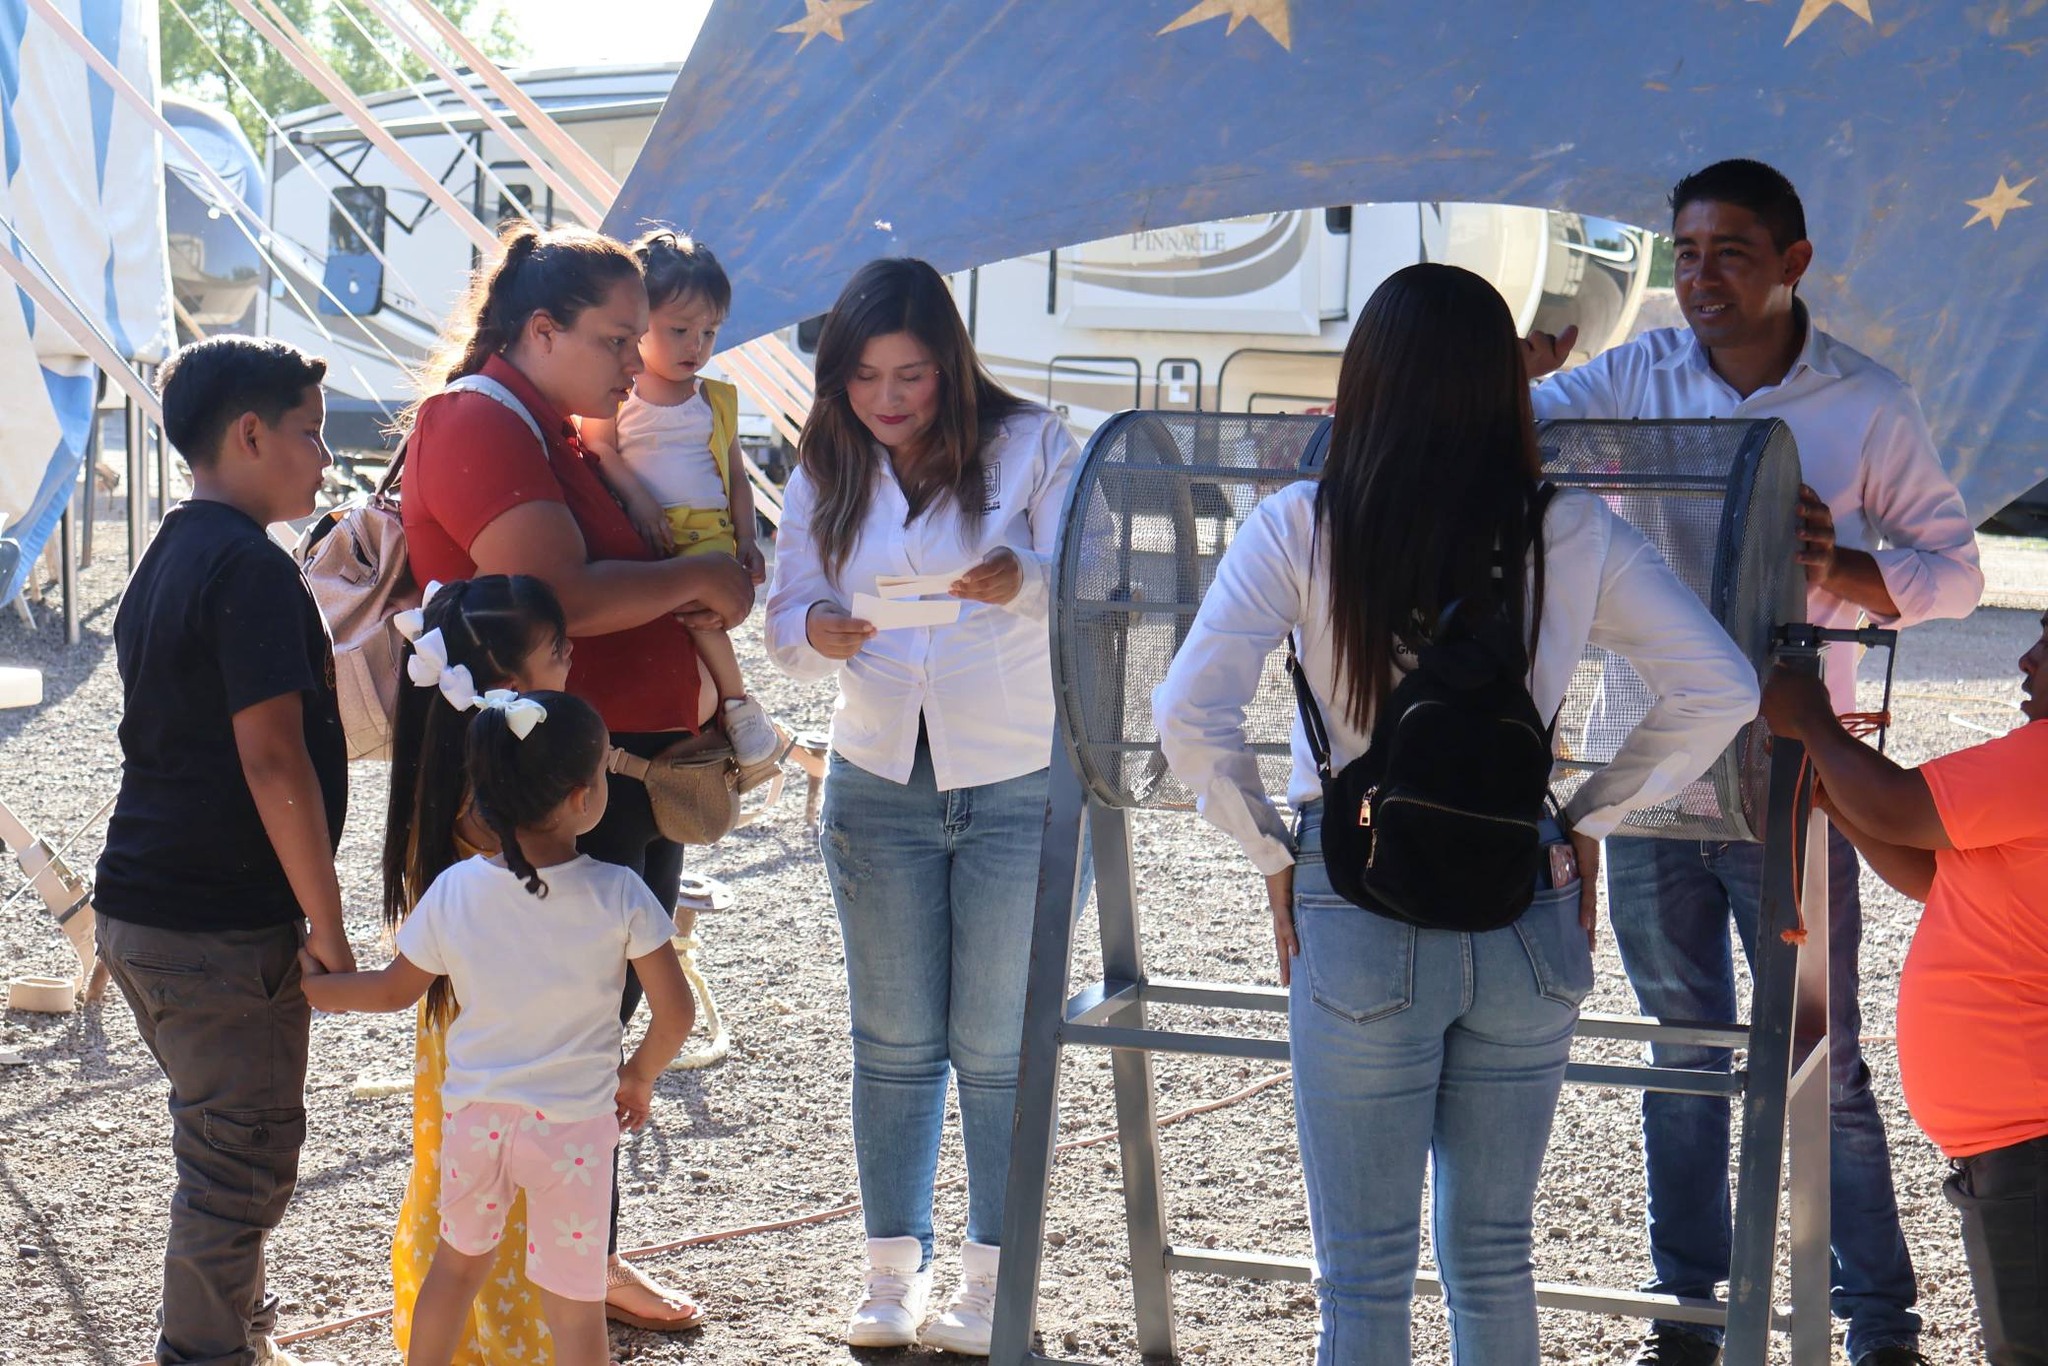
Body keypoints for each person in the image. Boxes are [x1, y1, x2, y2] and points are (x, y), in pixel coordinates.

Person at [1155, 263, 1760, 1365]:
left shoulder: (1301, 523)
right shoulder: (1564, 530)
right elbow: (1721, 686)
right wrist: (1589, 815)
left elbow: (1187, 712)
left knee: (1364, 1274)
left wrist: (1268, 852)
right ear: (1502, 384)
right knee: (1492, 1254)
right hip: (1522, 896)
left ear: (1364, 382)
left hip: (1355, 898)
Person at [1525, 158, 1982, 1366]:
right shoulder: (1628, 376)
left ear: (1792, 266)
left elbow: (1957, 573)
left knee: (1817, 1055)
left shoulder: (1865, 403)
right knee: (1681, 1048)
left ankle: (1878, 1326)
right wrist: (1494, 383)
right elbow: (1509, 432)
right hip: (1649, 772)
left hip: (1797, 787)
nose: (1696, 275)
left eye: (1728, 251)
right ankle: (1686, 1322)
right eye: (1682, 253)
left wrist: (1839, 570)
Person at [400, 223, 753, 1330]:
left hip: (618, 769)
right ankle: (528, 1285)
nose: (633, 355)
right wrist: (705, 572)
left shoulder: (557, 423)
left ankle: (575, 1263)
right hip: (551, 782)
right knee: (551, 1027)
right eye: (613, 336)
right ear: (538, 331)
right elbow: (560, 593)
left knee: (591, 1021)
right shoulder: (474, 419)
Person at [764, 257, 1082, 1356]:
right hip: (875, 774)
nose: (888, 399)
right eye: (863, 378)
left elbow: (1091, 582)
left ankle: (995, 1280)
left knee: (998, 1040)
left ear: (949, 364)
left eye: (910, 375)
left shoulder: (1036, 441)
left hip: (1015, 773)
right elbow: (784, 608)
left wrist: (1020, 578)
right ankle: (888, 1271)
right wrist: (815, 632)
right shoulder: (823, 465)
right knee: (892, 1038)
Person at [92, 335, 350, 1366]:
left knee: (222, 1136)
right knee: (239, 1157)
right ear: (248, 434)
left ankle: (234, 1326)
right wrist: (324, 926)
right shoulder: (246, 564)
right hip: (213, 922)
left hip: (141, 906)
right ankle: (205, 1351)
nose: (324, 457)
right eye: (309, 432)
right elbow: (271, 756)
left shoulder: (172, 549)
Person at [302, 690, 695, 1366]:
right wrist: (638, 1075)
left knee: (454, 1272)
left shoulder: (455, 890)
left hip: (478, 1121)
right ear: (581, 797)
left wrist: (316, 987)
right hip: (574, 1128)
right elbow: (676, 1012)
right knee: (574, 1308)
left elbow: (394, 991)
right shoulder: (621, 893)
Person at [1760, 614, 2048, 1366]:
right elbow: (1938, 875)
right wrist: (1837, 799)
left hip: (2031, 1143)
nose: (2027, 658)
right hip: (2018, 1142)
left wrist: (1814, 720)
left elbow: (1898, 803)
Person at [379, 574, 587, 1359]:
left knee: (453, 1201)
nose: (572, 659)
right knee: (513, 1214)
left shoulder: (444, 786)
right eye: (558, 651)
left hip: (458, 1041)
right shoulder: (505, 811)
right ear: (510, 682)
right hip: (515, 1048)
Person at [580, 230, 781, 767]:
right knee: (671, 623)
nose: (696, 345)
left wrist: (747, 538)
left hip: (708, 534)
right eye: (679, 329)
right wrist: (641, 504)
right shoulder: (616, 390)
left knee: (702, 619)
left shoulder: (715, 400)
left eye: (709, 332)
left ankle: (734, 706)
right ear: (639, 324)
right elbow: (600, 450)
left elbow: (735, 477)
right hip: (644, 530)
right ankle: (729, 708)